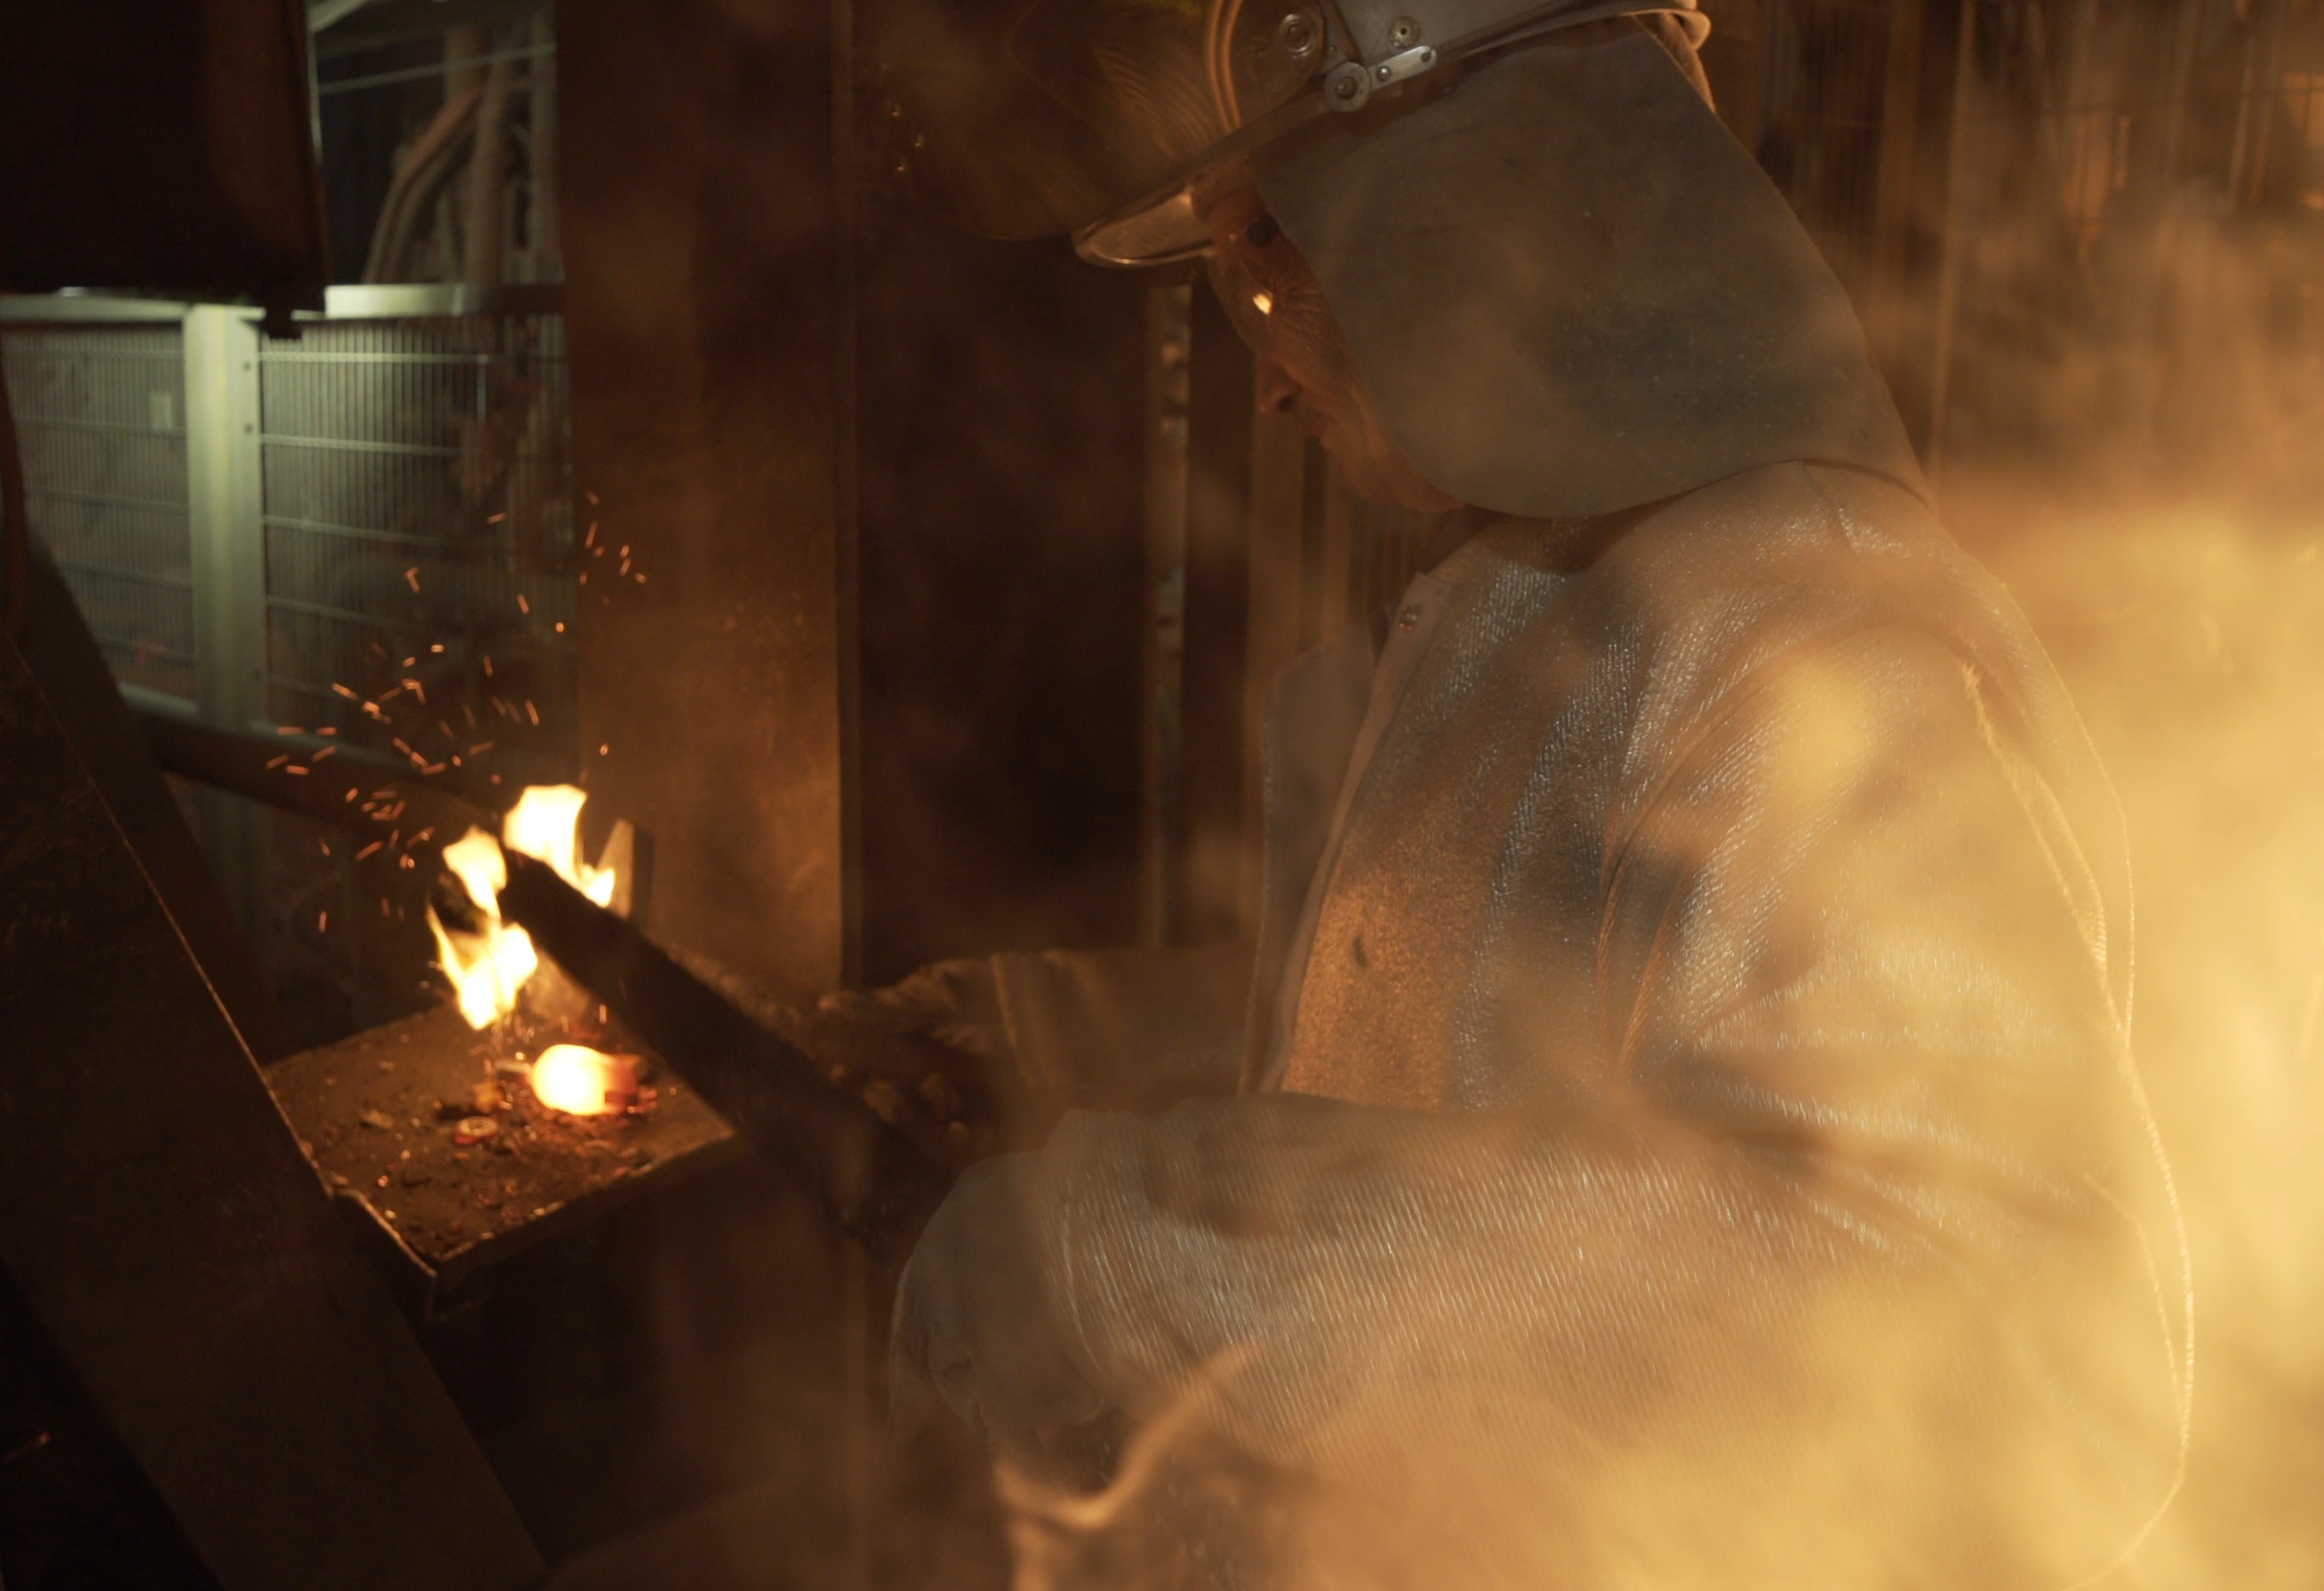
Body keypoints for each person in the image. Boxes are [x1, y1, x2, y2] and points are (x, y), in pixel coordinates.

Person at [859, 1, 2189, 1583]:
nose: (1263, 375)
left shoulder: (1812, 634)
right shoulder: (1548, 583)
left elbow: (1978, 1330)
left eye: (1273, 250)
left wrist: (1135, 1253)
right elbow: (1472, 1045)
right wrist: (1043, 1023)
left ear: (1482, 193)